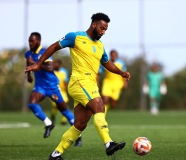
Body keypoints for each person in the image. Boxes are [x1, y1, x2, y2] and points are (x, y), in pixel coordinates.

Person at [25, 13, 130, 159]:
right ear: (94, 24)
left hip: (89, 84)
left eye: (105, 29)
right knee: (100, 106)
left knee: (80, 125)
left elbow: (107, 63)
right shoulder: (75, 37)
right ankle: (109, 143)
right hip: (79, 82)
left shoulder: (100, 46)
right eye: (101, 28)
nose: (103, 32)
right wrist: (38, 63)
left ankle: (56, 153)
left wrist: (121, 73)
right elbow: (55, 46)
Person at [25, 32, 74, 138]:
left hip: (52, 87)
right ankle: (49, 123)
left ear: (38, 41)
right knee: (32, 104)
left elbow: (50, 68)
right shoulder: (28, 54)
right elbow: (28, 64)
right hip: (40, 86)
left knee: (63, 110)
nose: (30, 43)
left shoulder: (44, 52)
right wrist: (29, 75)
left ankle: (78, 135)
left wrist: (36, 64)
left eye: (32, 41)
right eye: (29, 41)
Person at [98, 49, 128, 116]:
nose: (113, 56)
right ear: (110, 55)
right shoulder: (106, 63)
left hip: (118, 83)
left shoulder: (121, 63)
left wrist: (125, 83)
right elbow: (99, 72)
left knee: (113, 104)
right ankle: (102, 116)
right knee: (105, 99)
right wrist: (97, 81)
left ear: (116, 55)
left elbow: (124, 74)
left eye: (114, 55)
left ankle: (108, 107)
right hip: (108, 82)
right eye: (112, 55)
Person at [50, 59, 69, 125]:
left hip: (63, 92)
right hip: (54, 92)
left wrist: (67, 87)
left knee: (64, 104)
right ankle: (53, 116)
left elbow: (65, 81)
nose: (55, 65)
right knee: (56, 106)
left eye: (56, 63)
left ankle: (63, 120)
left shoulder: (64, 71)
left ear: (60, 65)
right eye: (54, 63)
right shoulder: (51, 72)